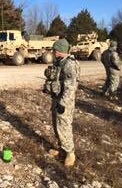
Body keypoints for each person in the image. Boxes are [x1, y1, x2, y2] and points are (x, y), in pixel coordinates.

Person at [44, 38, 80, 167]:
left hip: (64, 102)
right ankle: (61, 148)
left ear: (60, 50)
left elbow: (71, 88)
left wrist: (63, 104)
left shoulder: (69, 64)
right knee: (56, 124)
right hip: (56, 98)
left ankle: (70, 153)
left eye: (55, 50)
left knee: (64, 126)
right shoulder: (59, 62)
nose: (53, 52)